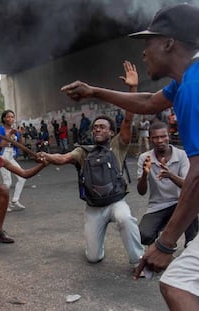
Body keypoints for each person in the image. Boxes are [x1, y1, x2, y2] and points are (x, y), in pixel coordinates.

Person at [60, 4, 199, 309]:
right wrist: (94, 91)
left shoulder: (194, 88)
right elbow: (149, 101)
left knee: (177, 286)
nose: (144, 53)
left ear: (168, 43)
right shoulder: (185, 81)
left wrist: (165, 243)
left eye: (147, 43)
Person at [39, 61, 144, 270]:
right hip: (94, 208)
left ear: (111, 132)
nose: (97, 130)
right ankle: (96, 247)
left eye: (102, 127)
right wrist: (47, 157)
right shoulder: (82, 151)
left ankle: (139, 261)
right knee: (93, 257)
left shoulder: (118, 146)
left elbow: (128, 118)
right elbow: (62, 158)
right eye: (95, 127)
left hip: (116, 202)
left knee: (125, 218)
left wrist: (132, 88)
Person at [137, 121, 198, 249]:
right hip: (157, 205)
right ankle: (159, 247)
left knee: (191, 204)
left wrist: (170, 175)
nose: (160, 140)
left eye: (163, 136)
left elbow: (188, 185)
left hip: (180, 202)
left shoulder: (181, 155)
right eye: (155, 137)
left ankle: (190, 246)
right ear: (150, 139)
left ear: (168, 136)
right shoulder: (145, 158)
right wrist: (144, 174)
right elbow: (141, 192)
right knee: (144, 235)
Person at [0, 110, 27, 211]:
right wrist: (9, 135)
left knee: (22, 177)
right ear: (4, 118)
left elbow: (20, 145)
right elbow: (0, 145)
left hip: (10, 156)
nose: (11, 119)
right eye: (8, 117)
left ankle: (15, 200)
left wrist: (21, 134)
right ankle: (5, 204)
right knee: (7, 182)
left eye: (12, 117)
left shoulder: (14, 130)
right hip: (2, 156)